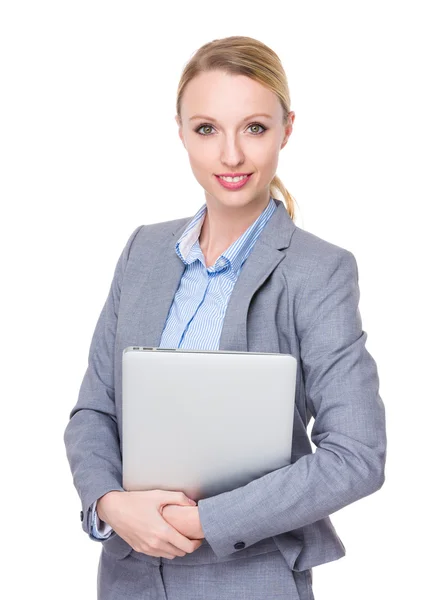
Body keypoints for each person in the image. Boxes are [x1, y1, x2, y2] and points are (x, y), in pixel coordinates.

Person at [64, 35, 387, 600]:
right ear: (182, 131)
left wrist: (204, 522)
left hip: (247, 581)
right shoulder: (144, 250)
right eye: (207, 129)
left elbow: (356, 455)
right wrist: (111, 504)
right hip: (128, 578)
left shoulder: (319, 272)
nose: (231, 156)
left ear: (287, 129)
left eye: (255, 128)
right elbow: (94, 410)